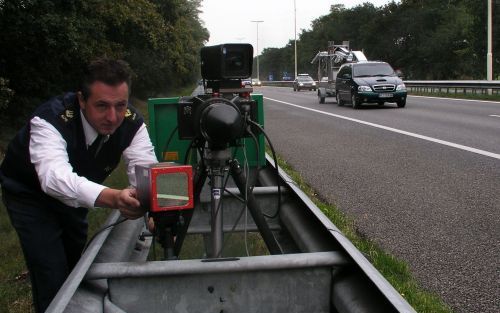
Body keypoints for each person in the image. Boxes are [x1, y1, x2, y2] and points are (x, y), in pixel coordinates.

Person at [0, 57, 158, 312]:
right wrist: (113, 197)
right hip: (30, 195)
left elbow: (144, 168)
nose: (113, 116)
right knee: (50, 272)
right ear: (82, 100)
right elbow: (53, 177)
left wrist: (152, 206)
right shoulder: (50, 119)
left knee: (75, 265)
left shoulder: (131, 123)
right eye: (102, 106)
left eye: (120, 105)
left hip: (78, 194)